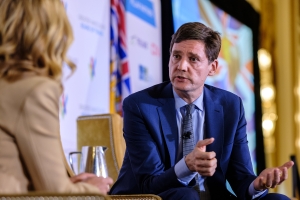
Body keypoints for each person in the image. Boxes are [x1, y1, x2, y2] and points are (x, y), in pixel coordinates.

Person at [110, 22, 294, 200]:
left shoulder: (231, 106)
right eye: (176, 56)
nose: (181, 66)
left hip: (211, 196)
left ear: (212, 68)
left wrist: (258, 184)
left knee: (278, 199)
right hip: (152, 196)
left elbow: (241, 178)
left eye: (193, 59)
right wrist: (187, 166)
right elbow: (149, 183)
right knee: (186, 196)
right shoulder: (140, 106)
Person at [0, 0, 113, 194]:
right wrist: (92, 190)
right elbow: (55, 192)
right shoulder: (36, 90)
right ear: (52, 28)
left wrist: (70, 186)